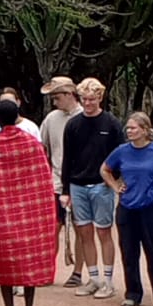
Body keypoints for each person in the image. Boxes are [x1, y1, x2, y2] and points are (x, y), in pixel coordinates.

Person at [0, 97, 55, 306]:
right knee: (28, 258)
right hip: (31, 212)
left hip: (2, 214)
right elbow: (42, 178)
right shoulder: (32, 143)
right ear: (18, 115)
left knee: (4, 259)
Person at [101, 111, 153, 306]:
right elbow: (104, 169)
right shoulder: (121, 151)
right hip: (127, 207)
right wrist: (115, 186)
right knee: (129, 252)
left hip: (151, 207)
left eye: (133, 128)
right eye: (127, 128)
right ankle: (133, 294)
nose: (129, 131)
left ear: (145, 130)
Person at [61, 77, 122, 298]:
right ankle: (93, 278)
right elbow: (67, 158)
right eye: (84, 99)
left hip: (102, 185)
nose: (88, 104)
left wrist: (116, 182)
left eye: (92, 99)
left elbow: (120, 155)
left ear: (100, 98)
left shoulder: (112, 123)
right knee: (84, 232)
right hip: (78, 185)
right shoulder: (73, 125)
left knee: (104, 231)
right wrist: (65, 190)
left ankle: (108, 280)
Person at [40, 76, 85, 286]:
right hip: (56, 182)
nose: (55, 102)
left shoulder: (86, 116)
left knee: (81, 227)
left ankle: (78, 271)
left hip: (81, 182)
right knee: (52, 227)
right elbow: (44, 148)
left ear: (69, 95)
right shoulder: (51, 119)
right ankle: (47, 269)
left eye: (57, 97)